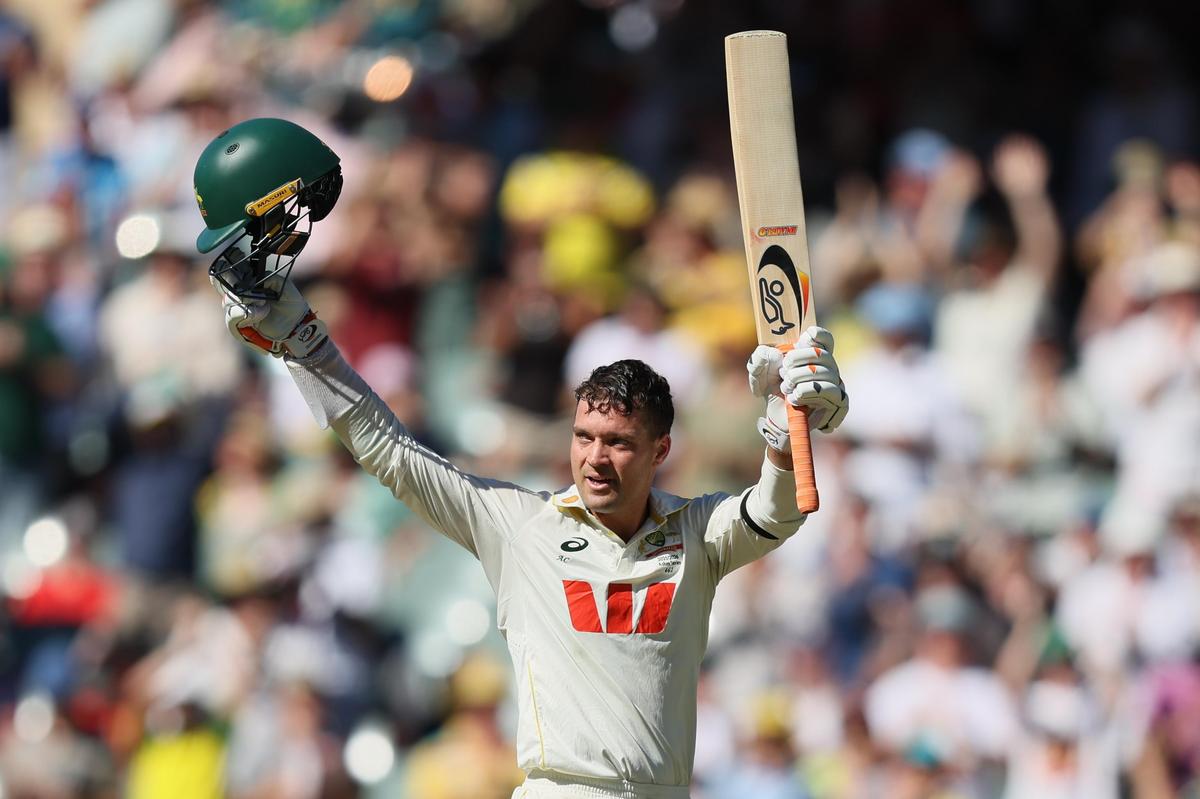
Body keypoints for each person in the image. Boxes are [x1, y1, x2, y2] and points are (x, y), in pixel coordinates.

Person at [193, 118, 850, 798]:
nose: (595, 460)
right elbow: (387, 447)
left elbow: (779, 510)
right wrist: (304, 343)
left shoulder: (697, 533)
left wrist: (787, 427)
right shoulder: (520, 526)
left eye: (619, 443)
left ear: (661, 450)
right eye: (584, 438)